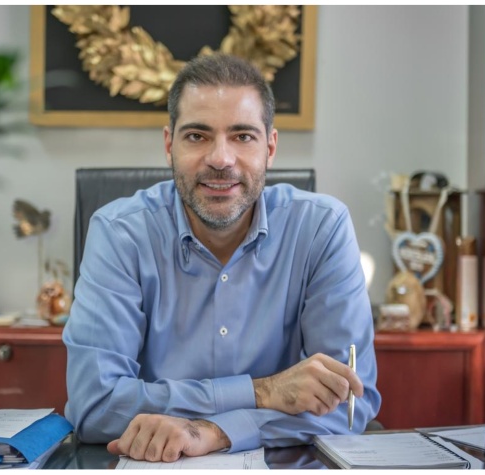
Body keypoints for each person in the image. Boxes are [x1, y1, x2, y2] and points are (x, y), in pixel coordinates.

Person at [63, 53, 381, 463]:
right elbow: (94, 406)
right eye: (197, 136)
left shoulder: (322, 228)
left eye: (242, 136)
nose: (220, 159)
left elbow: (350, 401)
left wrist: (214, 432)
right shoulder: (119, 232)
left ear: (270, 147)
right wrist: (264, 392)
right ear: (169, 145)